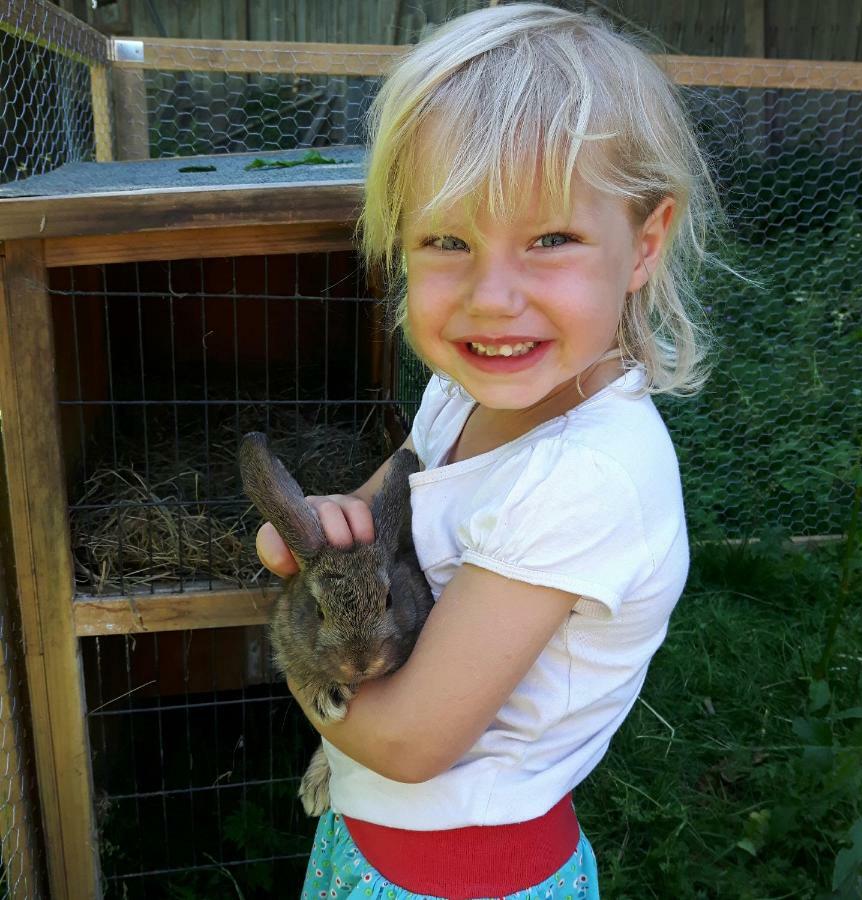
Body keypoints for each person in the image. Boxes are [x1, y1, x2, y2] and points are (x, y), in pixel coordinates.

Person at [257, 3, 725, 896]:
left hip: (466, 878)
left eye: (550, 240)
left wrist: (291, 639)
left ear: (644, 244)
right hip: (380, 843)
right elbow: (338, 536)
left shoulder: (587, 478)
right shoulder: (459, 395)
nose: (492, 298)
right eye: (447, 240)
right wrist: (307, 532)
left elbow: (404, 738)